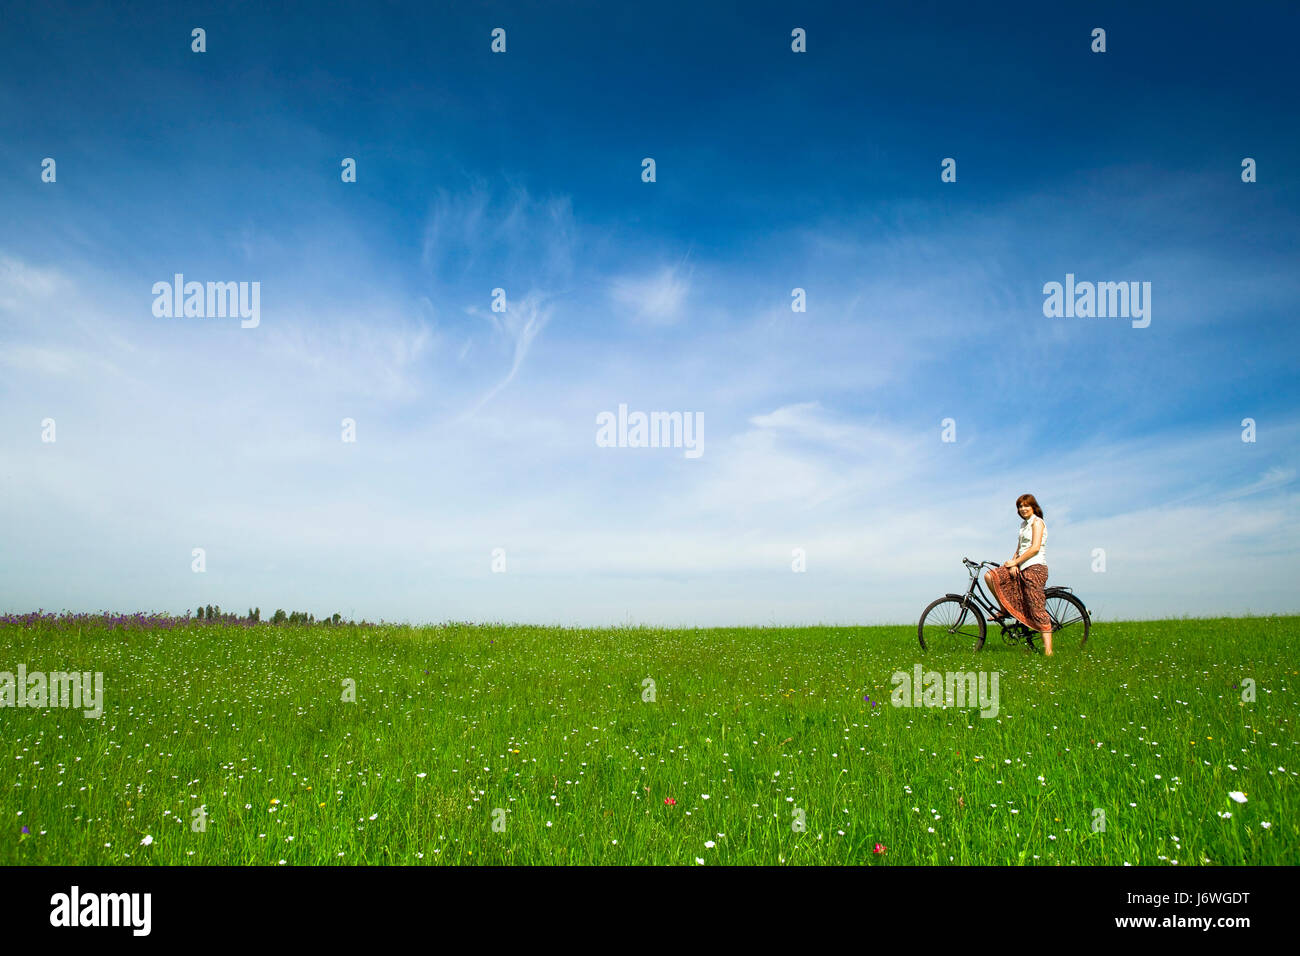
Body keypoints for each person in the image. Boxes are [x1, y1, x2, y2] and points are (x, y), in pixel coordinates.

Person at [983, 494, 1053, 655]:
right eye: (1020, 506)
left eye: (1026, 505)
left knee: (1036, 608)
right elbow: (1019, 548)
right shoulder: (1023, 525)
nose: (1023, 509)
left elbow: (1035, 548)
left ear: (1033, 507)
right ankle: (1004, 609)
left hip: (1035, 568)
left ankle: (1049, 652)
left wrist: (1017, 563)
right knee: (991, 576)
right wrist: (1013, 562)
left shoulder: (1037, 522)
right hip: (1022, 565)